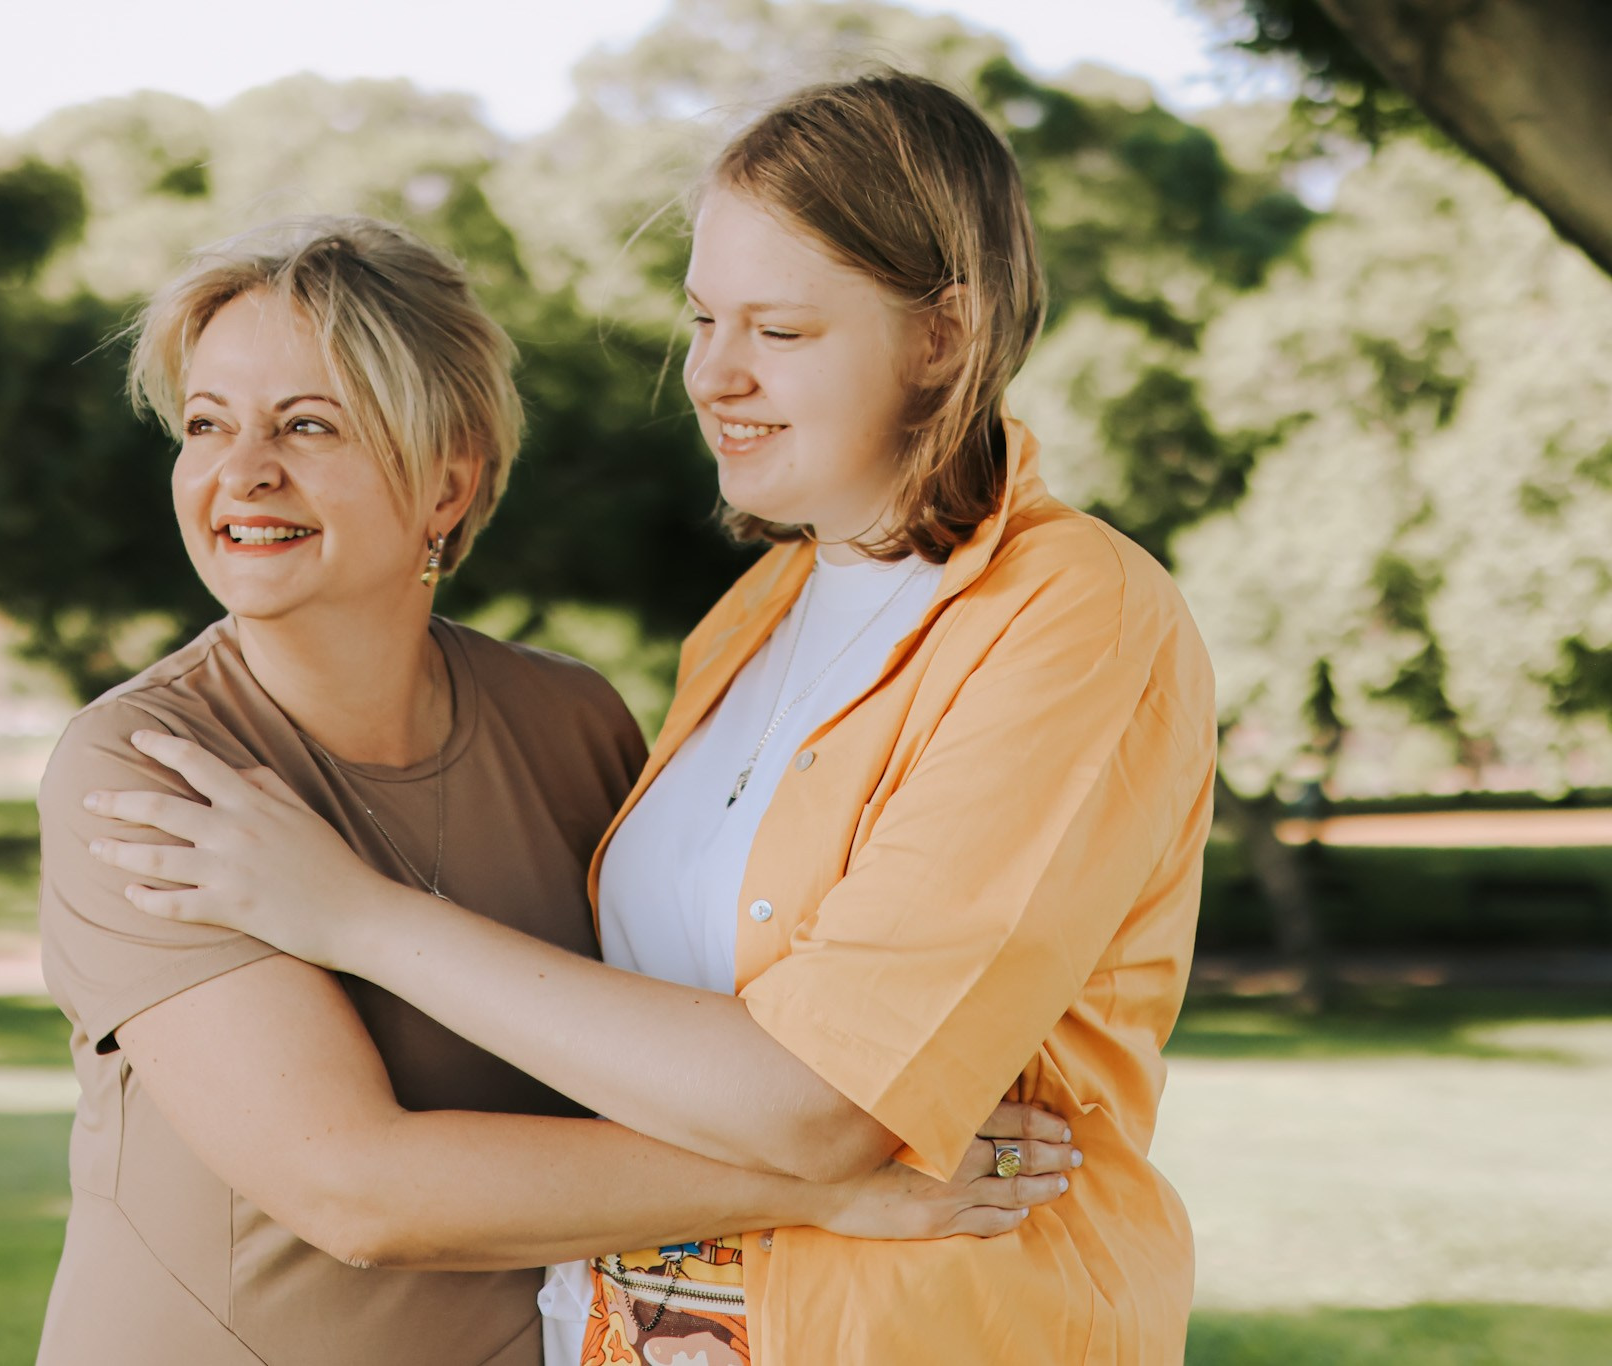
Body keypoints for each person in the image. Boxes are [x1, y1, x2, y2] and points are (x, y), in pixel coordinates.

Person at [91, 71, 1217, 1366]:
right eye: (702, 319)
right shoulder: (753, 619)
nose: (715, 376)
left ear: (943, 338)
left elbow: (824, 1106)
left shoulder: (1072, 613)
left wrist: (358, 916)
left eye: (779, 330)